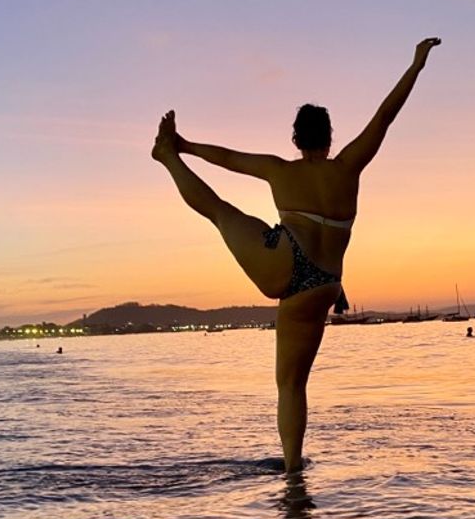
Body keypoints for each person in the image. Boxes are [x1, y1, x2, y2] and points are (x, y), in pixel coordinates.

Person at [151, 37, 441, 472]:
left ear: (295, 138)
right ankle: (292, 472)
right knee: (294, 386)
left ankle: (166, 159)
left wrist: (184, 147)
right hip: (324, 284)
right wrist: (416, 65)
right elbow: (385, 116)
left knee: (220, 211)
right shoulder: (348, 167)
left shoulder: (280, 169)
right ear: (329, 137)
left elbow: (228, 158)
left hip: (284, 262)